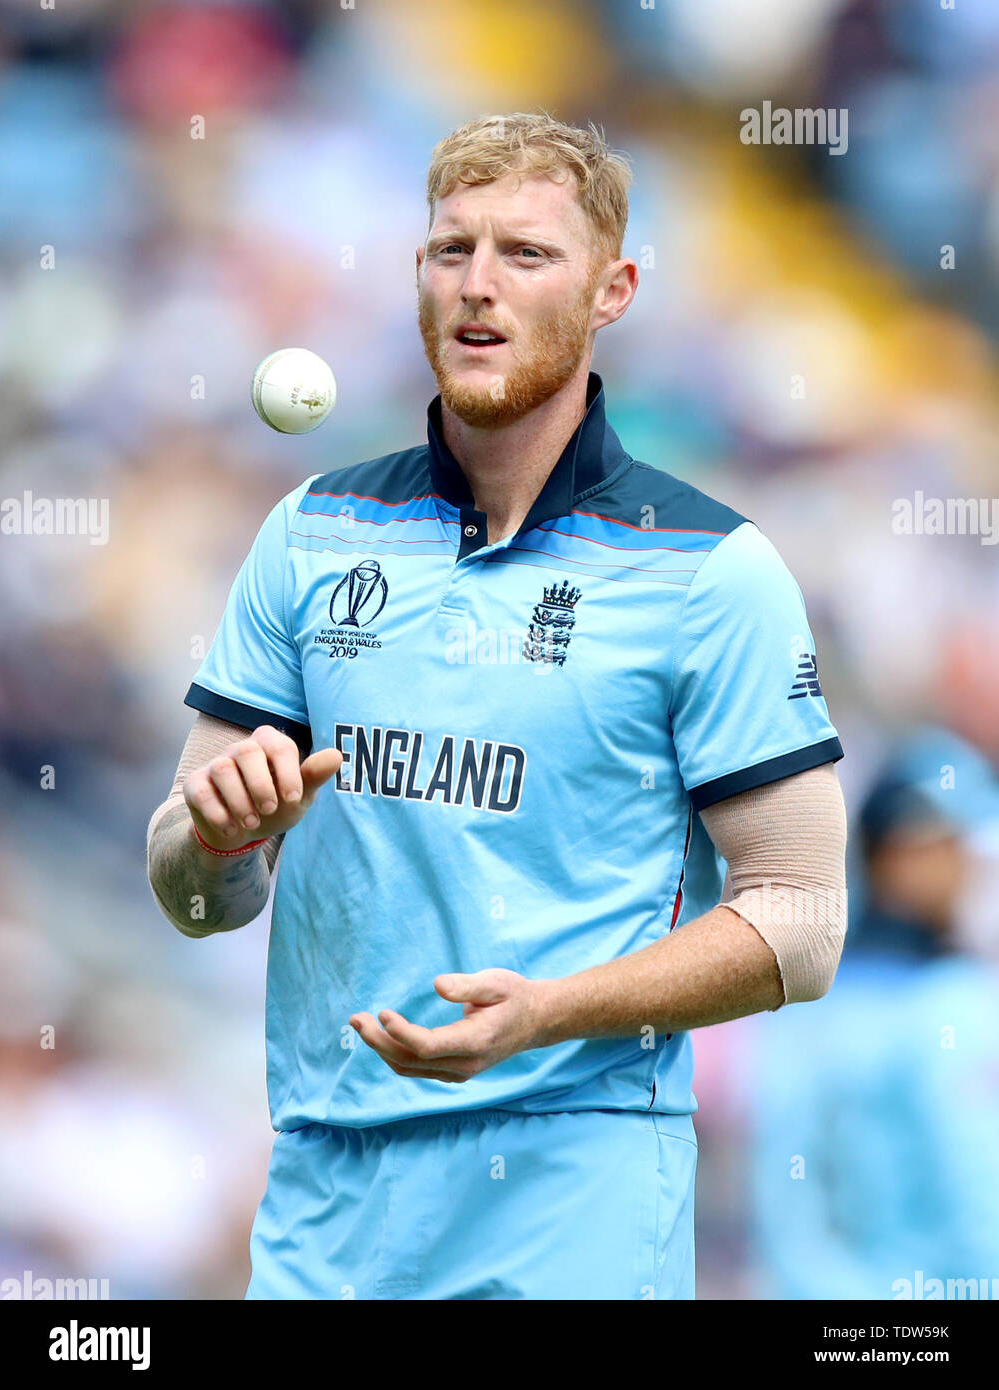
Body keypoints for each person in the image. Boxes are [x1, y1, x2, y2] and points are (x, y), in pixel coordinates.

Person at [147, 111, 848, 1301]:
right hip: (326, 1196)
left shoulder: (712, 572)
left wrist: (548, 1012)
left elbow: (799, 922)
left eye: (525, 254)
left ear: (611, 289)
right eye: (449, 250)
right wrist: (218, 836)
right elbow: (192, 892)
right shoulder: (310, 532)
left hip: (571, 1187)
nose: (477, 287)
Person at [746, 729, 999, 1299]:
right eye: (952, 845)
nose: (971, 867)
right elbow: (983, 1201)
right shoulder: (956, 1001)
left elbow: (784, 1208)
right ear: (897, 855)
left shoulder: (804, 999)